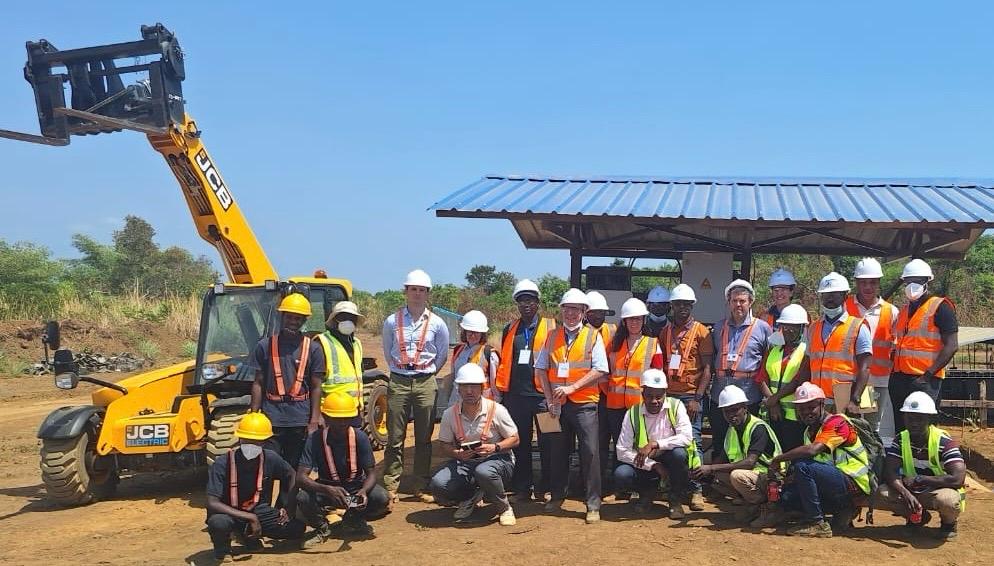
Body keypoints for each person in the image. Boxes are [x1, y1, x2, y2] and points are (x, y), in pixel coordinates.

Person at [535, 288, 609, 524]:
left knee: (589, 452)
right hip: (558, 406)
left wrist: (572, 388)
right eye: (567, 309)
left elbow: (600, 370)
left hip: (585, 404)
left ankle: (593, 504)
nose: (570, 313)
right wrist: (549, 399)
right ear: (562, 311)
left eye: (576, 309)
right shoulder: (552, 336)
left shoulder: (593, 337)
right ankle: (557, 496)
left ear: (584, 312)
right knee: (558, 451)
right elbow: (540, 369)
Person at [765, 382, 874, 537]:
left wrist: (779, 459)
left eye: (811, 407)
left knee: (803, 466)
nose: (806, 412)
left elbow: (812, 450)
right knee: (788, 495)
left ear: (822, 404)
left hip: (853, 482)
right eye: (802, 409)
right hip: (834, 482)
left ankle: (817, 523)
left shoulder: (838, 422)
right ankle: (841, 512)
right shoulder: (809, 431)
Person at [381, 269, 450, 503]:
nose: (417, 294)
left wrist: (428, 374)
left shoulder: (437, 324)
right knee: (395, 436)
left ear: (428, 293)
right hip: (399, 379)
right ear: (406, 292)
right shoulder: (392, 321)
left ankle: (420, 483)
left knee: (423, 436)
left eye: (422, 290)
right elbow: (387, 350)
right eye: (413, 290)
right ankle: (391, 483)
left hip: (425, 380)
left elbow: (441, 355)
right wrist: (400, 370)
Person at [205, 412, 305, 563]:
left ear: (265, 442)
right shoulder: (222, 463)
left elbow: (291, 475)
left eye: (257, 442)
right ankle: (222, 549)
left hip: (259, 510)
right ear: (239, 439)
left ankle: (250, 538)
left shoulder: (270, 458)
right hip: (229, 512)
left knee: (296, 529)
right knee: (218, 523)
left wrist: (286, 506)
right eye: (247, 440)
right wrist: (250, 517)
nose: (252, 445)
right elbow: (212, 502)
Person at [429, 364, 521, 526]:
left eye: (473, 386)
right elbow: (444, 445)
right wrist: (457, 453)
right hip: (466, 462)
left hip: (498, 460)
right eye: (465, 386)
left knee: (484, 471)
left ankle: (504, 507)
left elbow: (515, 439)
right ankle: (469, 497)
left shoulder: (496, 410)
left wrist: (494, 447)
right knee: (439, 483)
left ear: (482, 388)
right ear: (458, 389)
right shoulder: (450, 414)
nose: (469, 391)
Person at [297, 393, 389, 546]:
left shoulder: (360, 437)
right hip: (327, 490)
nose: (342, 423)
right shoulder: (315, 439)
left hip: (355, 490)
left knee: (381, 498)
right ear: (326, 417)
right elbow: (300, 477)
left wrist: (364, 491)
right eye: (337, 419)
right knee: (303, 498)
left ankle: (353, 518)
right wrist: (327, 489)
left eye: (347, 418)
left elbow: (371, 473)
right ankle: (323, 528)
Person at [495, 278, 557, 503]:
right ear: (517, 304)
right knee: (520, 443)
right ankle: (523, 488)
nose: (526, 305)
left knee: (549, 442)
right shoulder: (510, 328)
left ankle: (547, 487)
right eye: (521, 301)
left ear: (538, 302)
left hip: (543, 396)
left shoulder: (552, 327)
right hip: (516, 397)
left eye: (530, 300)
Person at [249, 293, 326, 469]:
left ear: (304, 320)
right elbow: (258, 383)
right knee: (266, 466)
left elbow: (316, 386)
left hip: (299, 419)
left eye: (298, 318)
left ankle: (287, 498)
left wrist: (314, 419)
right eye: (290, 317)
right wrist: (254, 415)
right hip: (271, 418)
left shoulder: (313, 349)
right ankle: (265, 498)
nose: (293, 321)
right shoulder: (264, 346)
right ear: (282, 317)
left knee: (293, 469)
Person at [877, 391, 966, 541]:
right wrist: (906, 494)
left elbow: (957, 479)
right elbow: (890, 472)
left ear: (929, 419)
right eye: (910, 418)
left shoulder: (943, 442)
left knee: (948, 500)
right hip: (912, 491)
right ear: (904, 418)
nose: (914, 423)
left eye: (919, 419)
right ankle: (917, 517)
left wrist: (921, 479)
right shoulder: (901, 439)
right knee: (883, 493)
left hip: (937, 490)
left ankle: (948, 524)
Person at [691, 385, 782, 525]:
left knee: (735, 475)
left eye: (735, 410)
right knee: (714, 471)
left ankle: (765, 507)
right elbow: (721, 459)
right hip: (753, 476)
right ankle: (752, 504)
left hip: (772, 477)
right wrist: (701, 473)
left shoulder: (758, 427)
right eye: (727, 412)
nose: (731, 415)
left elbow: (750, 462)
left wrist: (711, 468)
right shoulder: (732, 430)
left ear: (745, 408)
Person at [614, 369, 696, 518]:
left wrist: (655, 444)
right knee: (622, 474)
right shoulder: (632, 413)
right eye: (649, 396)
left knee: (679, 455)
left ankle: (675, 499)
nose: (654, 401)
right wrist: (653, 465)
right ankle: (646, 495)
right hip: (645, 461)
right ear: (642, 395)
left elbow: (686, 437)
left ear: (665, 393)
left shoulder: (676, 406)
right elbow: (621, 450)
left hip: (669, 457)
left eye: (659, 396)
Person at [658, 283, 712, 510]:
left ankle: (696, 490)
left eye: (687, 305)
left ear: (692, 306)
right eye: (678, 304)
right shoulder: (665, 332)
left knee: (694, 442)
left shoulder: (702, 332)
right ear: (672, 306)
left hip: (691, 396)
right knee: (671, 444)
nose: (682, 308)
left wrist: (697, 399)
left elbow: (708, 369)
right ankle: (675, 487)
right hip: (669, 396)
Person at [601, 298, 662, 494]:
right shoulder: (614, 344)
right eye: (630, 319)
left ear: (644, 320)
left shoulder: (653, 344)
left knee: (641, 445)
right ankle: (620, 488)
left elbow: (658, 374)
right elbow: (603, 373)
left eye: (638, 319)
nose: (634, 323)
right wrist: (608, 392)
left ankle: (641, 487)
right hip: (615, 406)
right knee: (620, 446)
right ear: (624, 322)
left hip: (640, 407)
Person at [891, 259, 959, 433]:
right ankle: (903, 460)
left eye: (918, 280)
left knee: (924, 430)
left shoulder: (941, 307)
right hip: (900, 379)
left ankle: (926, 460)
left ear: (928, 281)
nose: (912, 285)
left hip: (925, 380)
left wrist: (927, 376)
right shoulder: (904, 310)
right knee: (902, 429)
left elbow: (951, 345)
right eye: (908, 281)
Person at [710, 280, 773, 461]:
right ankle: (717, 480)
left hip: (748, 396)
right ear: (729, 302)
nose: (738, 304)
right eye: (734, 300)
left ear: (750, 302)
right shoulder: (719, 327)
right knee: (720, 438)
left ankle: (743, 479)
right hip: (720, 395)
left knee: (747, 438)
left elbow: (768, 362)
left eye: (742, 301)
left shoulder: (762, 328)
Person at [845, 258, 899, 446]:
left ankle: (869, 465)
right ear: (856, 283)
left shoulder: (891, 312)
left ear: (879, 283)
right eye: (863, 282)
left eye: (873, 282)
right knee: (847, 424)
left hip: (875, 380)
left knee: (869, 425)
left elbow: (897, 347)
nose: (868, 287)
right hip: (848, 378)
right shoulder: (845, 308)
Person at [807, 272, 872, 415]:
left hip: (846, 401)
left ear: (845, 296)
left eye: (835, 294)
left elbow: (866, 368)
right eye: (826, 294)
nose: (830, 298)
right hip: (818, 400)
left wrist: (855, 400)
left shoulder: (859, 326)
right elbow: (807, 365)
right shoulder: (813, 328)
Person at [759, 304, 810, 451]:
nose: (789, 330)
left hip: (796, 416)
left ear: (802, 327)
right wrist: (773, 403)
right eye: (785, 326)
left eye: (794, 326)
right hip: (773, 414)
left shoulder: (806, 351)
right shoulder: (773, 349)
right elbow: (761, 378)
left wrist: (774, 399)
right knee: (774, 452)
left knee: (793, 453)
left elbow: (799, 381)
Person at [315, 301, 364, 425]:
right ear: (335, 320)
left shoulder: (356, 344)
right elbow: (314, 384)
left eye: (351, 317)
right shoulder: (321, 343)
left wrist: (360, 408)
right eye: (343, 317)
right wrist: (316, 416)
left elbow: (358, 380)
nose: (348, 320)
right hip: (331, 413)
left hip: (353, 411)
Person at [444, 309, 499, 406]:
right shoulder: (458, 350)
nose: (473, 335)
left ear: (482, 333)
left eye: (476, 332)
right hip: (457, 401)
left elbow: (494, 384)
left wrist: (496, 404)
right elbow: (453, 376)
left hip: (481, 404)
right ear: (464, 332)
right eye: (470, 332)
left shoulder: (489, 353)